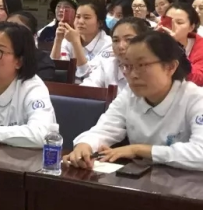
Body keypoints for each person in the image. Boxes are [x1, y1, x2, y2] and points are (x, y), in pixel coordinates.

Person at [66, 32, 203, 171]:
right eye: (127, 66)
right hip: (141, 179)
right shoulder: (129, 95)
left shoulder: (196, 98)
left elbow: (200, 153)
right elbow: (104, 128)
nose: (133, 75)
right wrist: (85, 145)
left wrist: (139, 150)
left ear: (170, 67)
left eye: (141, 65)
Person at [81, 17, 150, 93]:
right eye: (116, 40)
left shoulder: (153, 69)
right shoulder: (108, 65)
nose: (121, 46)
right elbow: (85, 90)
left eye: (128, 39)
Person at [50, 0, 112, 78]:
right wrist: (58, 40)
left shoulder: (108, 44)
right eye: (78, 17)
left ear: (99, 23)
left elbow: (87, 75)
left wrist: (76, 42)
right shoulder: (69, 39)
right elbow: (55, 69)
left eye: (86, 17)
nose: (80, 21)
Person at [161, 2, 203, 86]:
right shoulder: (153, 41)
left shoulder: (200, 46)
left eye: (179, 22)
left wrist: (175, 46)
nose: (173, 25)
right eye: (168, 21)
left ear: (191, 27)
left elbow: (199, 78)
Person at [7, 11, 56, 81]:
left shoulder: (43, 63)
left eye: (17, 29)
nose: (10, 32)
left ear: (33, 36)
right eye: (6, 27)